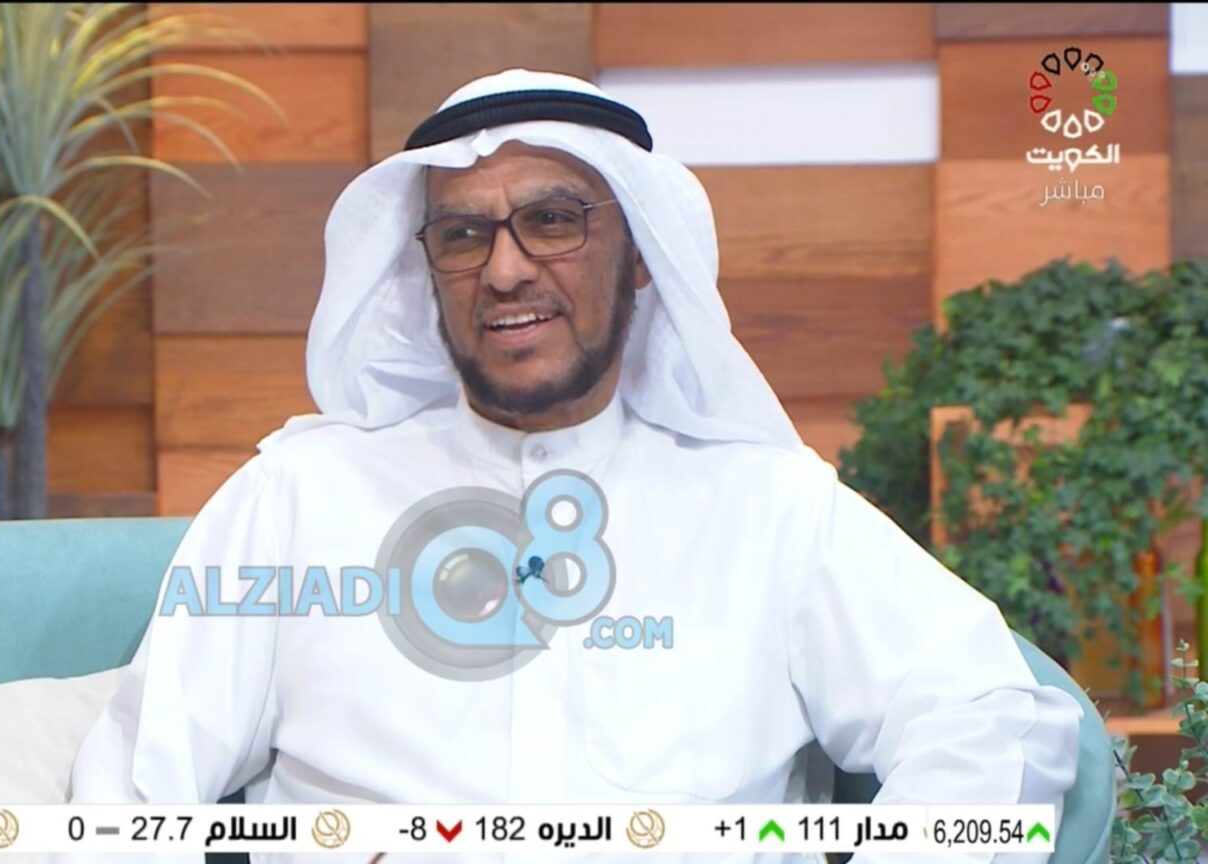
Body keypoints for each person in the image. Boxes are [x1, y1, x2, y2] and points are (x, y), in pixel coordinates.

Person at [70, 68, 1082, 863]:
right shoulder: (298, 498)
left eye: (553, 221)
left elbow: (987, 716)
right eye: (463, 234)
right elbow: (130, 795)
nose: (505, 268)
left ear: (640, 254)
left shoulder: (770, 509)